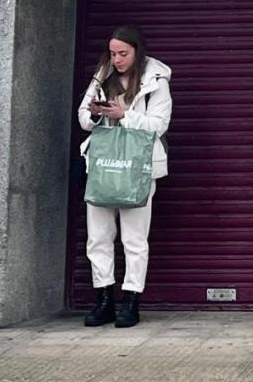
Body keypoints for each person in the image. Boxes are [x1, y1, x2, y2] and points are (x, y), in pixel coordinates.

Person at [77, 25, 172, 329]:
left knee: (134, 238)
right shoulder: (102, 76)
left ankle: (131, 301)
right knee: (98, 236)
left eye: (123, 53)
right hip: (104, 163)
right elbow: (83, 119)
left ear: (137, 51)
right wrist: (95, 112)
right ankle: (103, 299)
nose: (117, 59)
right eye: (113, 53)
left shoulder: (156, 81)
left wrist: (124, 115)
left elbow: (159, 124)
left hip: (138, 165)